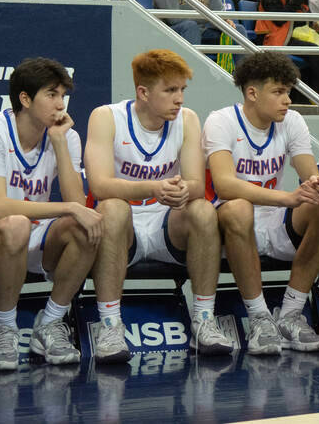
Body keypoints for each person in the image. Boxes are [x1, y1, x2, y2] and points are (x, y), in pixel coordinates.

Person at [84, 49, 234, 364]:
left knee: (204, 210)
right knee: (112, 208)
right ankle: (110, 326)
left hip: (166, 222)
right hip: (124, 227)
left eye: (182, 90)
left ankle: (204, 320)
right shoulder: (106, 117)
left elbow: (195, 183)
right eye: (170, 90)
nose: (179, 98)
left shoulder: (188, 119)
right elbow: (99, 186)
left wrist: (184, 192)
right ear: (143, 92)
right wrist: (153, 187)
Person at [203, 49, 319, 354]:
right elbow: (225, 185)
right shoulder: (221, 121)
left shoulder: (292, 121)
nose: (288, 100)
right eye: (278, 92)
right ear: (252, 93)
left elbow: (307, 171)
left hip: (274, 219)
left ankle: (291, 313)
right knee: (239, 207)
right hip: (228, 225)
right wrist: (287, 198)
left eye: (289, 91)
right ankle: (260, 319)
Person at [0, 58, 100, 371]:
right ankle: (5, 329)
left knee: (87, 227)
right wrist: (68, 208)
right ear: (25, 99)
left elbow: (76, 203)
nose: (60, 104)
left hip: (36, 234)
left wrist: (59, 142)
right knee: (14, 225)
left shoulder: (65, 135)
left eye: (62, 95)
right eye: (51, 95)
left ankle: (50, 323)